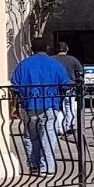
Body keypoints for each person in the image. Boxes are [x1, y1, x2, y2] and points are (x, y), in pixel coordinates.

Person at [11, 41, 72, 176]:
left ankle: (34, 166)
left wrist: (17, 103)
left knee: (31, 137)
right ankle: (48, 168)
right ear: (47, 48)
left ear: (32, 49)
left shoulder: (23, 65)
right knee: (48, 137)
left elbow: (14, 86)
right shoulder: (55, 64)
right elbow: (66, 84)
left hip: (29, 105)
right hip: (50, 104)